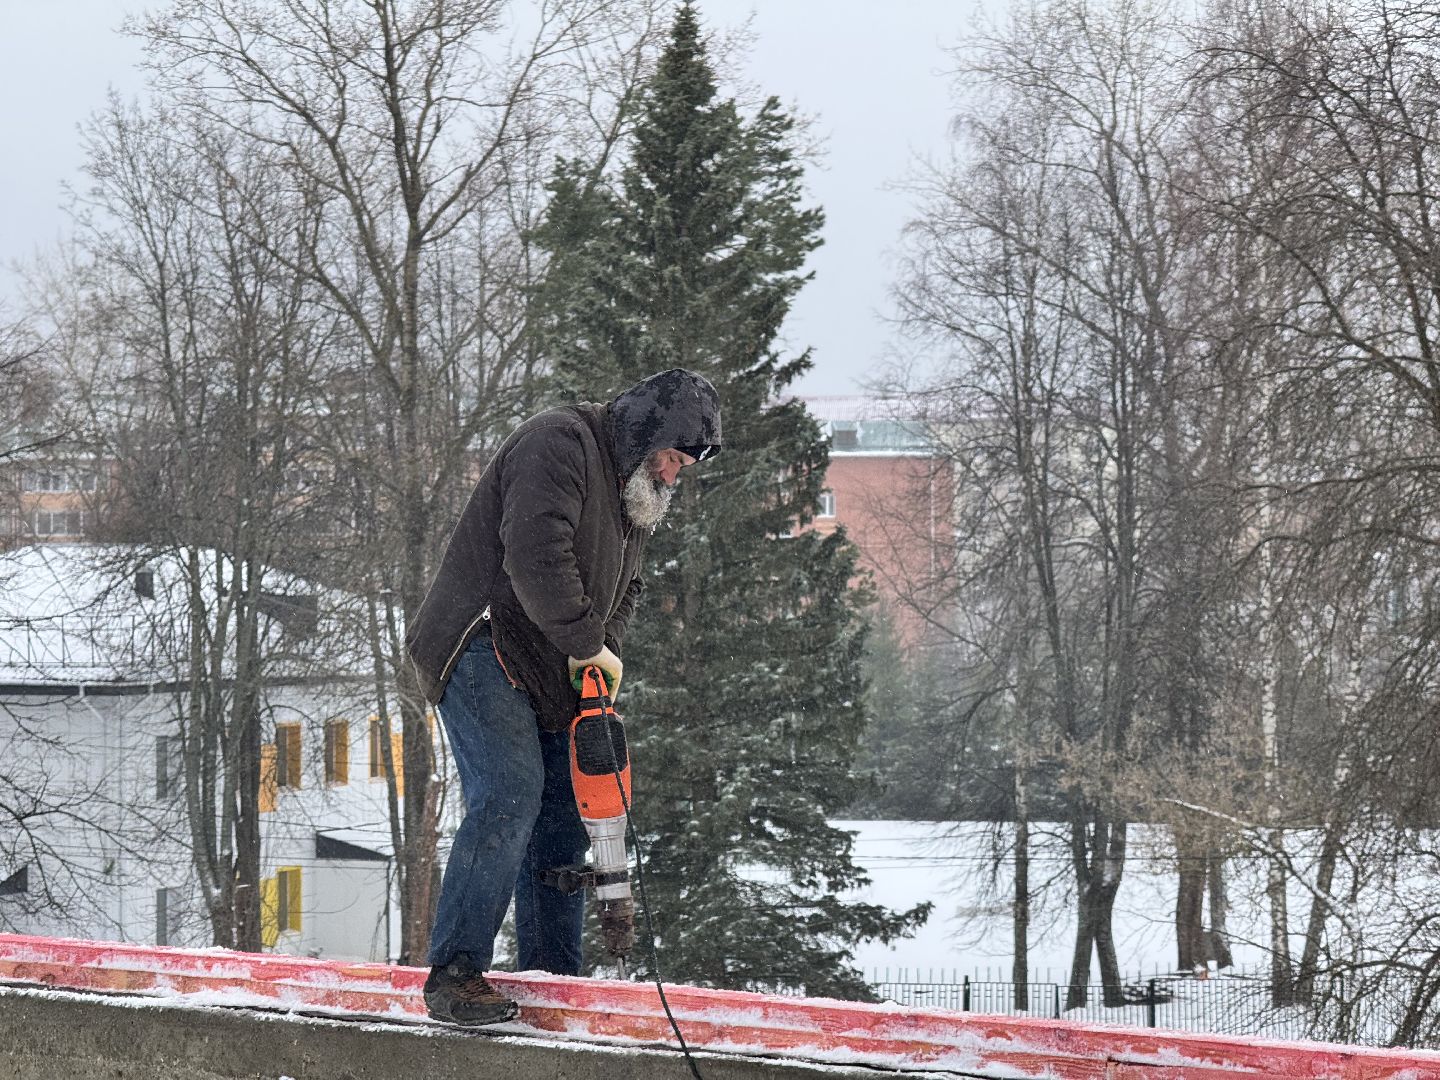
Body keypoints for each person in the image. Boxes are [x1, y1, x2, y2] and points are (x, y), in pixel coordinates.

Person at [406, 368, 722, 1025]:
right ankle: (454, 972)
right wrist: (587, 643)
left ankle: (552, 983)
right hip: (478, 640)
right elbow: (535, 555)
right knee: (512, 788)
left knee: (563, 815)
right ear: (644, 434)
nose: (673, 474)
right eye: (671, 456)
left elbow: (623, 593)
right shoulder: (559, 443)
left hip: (551, 663)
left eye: (682, 465)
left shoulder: (633, 497)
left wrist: (601, 659)